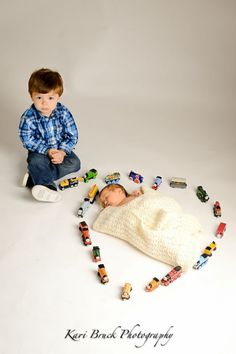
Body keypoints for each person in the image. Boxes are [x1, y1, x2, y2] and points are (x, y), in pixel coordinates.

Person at [19, 68, 81, 202]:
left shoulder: (63, 112)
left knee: (75, 163)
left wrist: (62, 152)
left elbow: (73, 136)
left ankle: (33, 179)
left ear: (58, 96)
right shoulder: (28, 117)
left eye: (50, 98)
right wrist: (47, 150)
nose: (44, 103)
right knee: (36, 161)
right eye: (39, 97)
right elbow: (26, 139)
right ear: (31, 96)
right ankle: (49, 187)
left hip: (59, 150)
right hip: (40, 152)